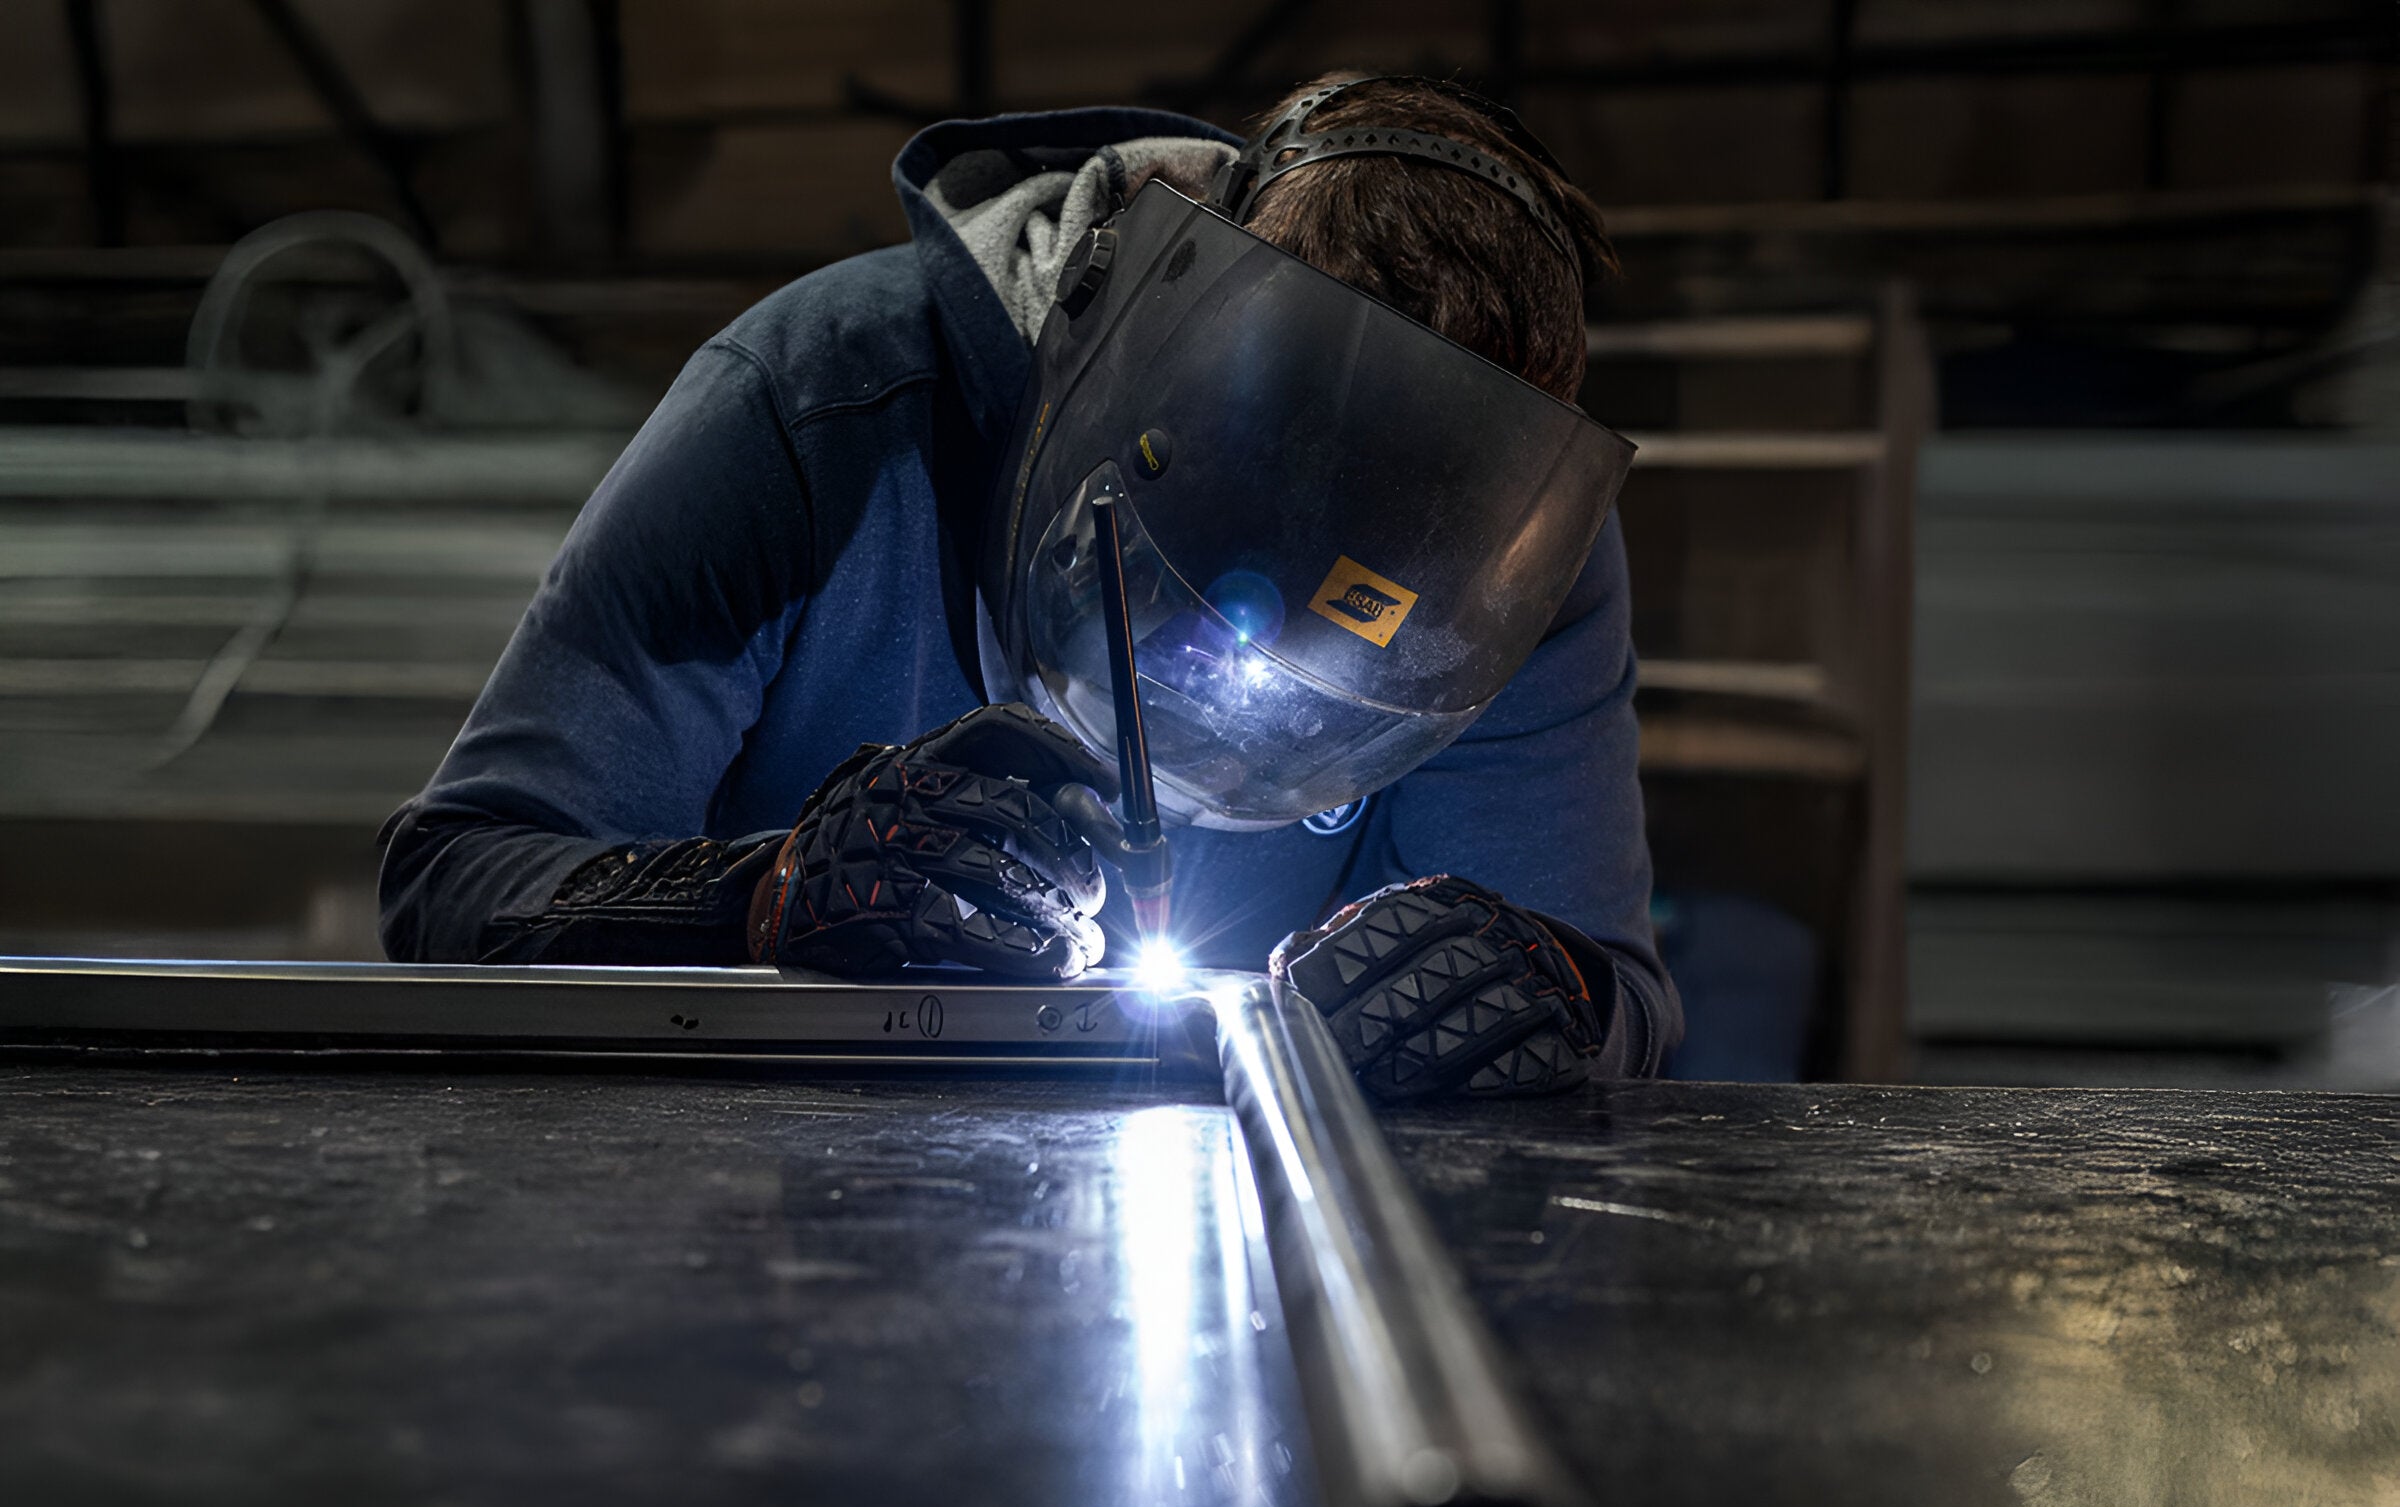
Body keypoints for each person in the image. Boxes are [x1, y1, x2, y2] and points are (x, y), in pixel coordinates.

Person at [379, 73, 1682, 1099]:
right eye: (1214, 590)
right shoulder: (813, 409)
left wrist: (1531, 987)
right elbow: (458, 882)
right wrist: (763, 894)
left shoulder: (1507, 573)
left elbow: (1612, 998)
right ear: (1112, 364)